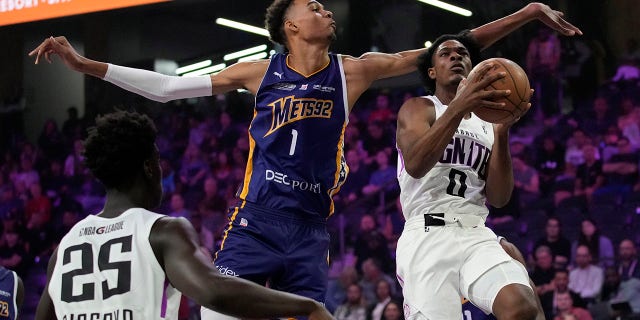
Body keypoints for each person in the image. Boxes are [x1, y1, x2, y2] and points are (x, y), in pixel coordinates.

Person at [29, 1, 581, 317]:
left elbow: (453, 42)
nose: (323, 8)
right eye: (311, 6)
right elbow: (171, 87)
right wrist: (90, 67)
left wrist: (526, 15)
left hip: (311, 229)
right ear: (290, 26)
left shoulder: (354, 70)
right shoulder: (258, 72)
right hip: (256, 220)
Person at [34, 111, 334, 320]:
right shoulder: (162, 231)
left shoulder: (64, 248)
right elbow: (214, 291)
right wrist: (307, 306)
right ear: (149, 167)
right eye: (158, 161)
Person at [394, 28, 548, 318]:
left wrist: (501, 134)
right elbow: (416, 164)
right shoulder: (419, 108)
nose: (455, 56)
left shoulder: (487, 124)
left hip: (475, 231)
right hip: (427, 235)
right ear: (432, 72)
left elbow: (500, 198)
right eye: (445, 53)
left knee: (520, 306)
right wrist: (459, 105)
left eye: (463, 53)